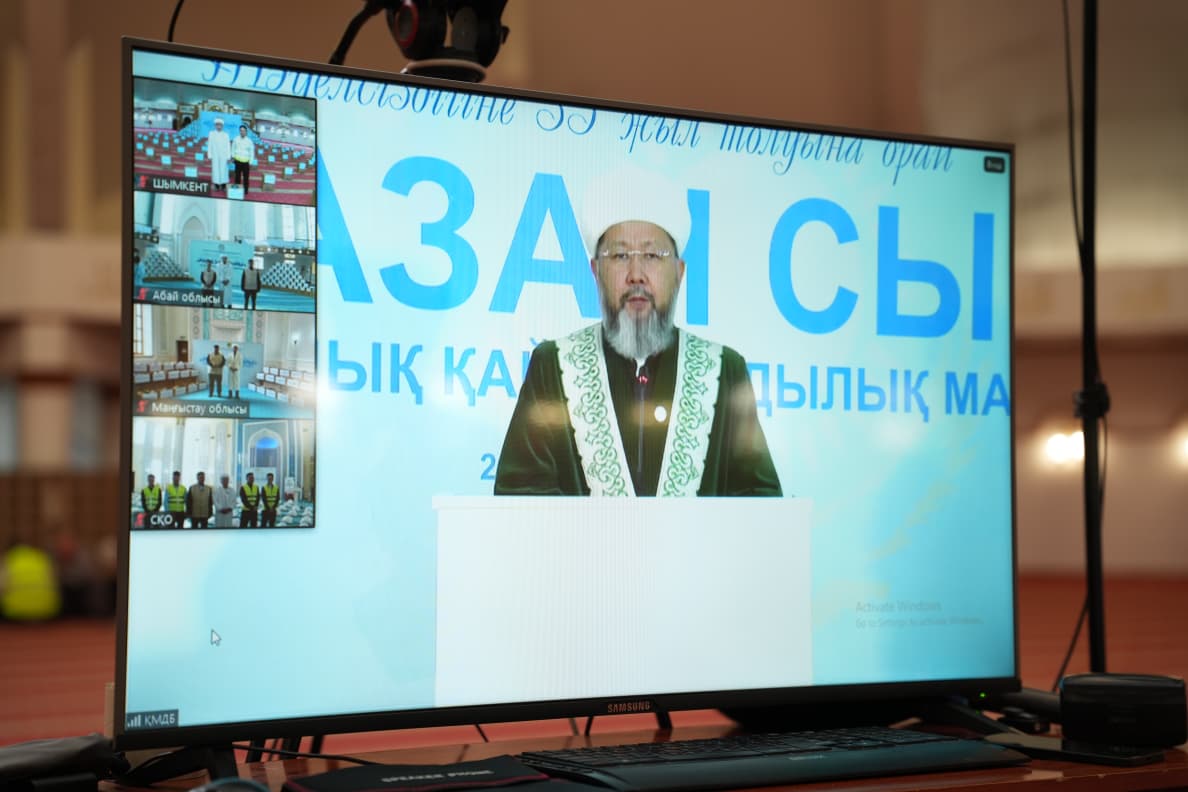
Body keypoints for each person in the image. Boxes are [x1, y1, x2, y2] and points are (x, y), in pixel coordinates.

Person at [493, 170, 781, 497]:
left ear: (679, 272)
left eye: (652, 255)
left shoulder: (724, 370)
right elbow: (521, 498)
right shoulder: (553, 366)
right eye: (619, 256)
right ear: (595, 271)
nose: (636, 275)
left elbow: (760, 502)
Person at [206, 117, 231, 192]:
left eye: (220, 125)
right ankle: (216, 185)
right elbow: (209, 145)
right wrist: (209, 155)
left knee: (224, 170)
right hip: (215, 155)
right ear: (215, 125)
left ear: (222, 126)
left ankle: (223, 185)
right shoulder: (211, 133)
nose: (219, 126)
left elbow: (228, 146)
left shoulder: (226, 135)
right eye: (217, 125)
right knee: (215, 170)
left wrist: (228, 157)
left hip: (224, 155)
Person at [231, 124, 255, 195]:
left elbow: (251, 152)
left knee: (246, 177)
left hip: (246, 162)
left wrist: (250, 162)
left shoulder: (249, 141)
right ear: (239, 131)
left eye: (244, 131)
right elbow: (233, 148)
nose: (242, 132)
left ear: (246, 132)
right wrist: (233, 157)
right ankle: (237, 189)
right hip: (237, 161)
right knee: (237, 176)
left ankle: (245, 190)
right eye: (241, 131)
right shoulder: (236, 139)